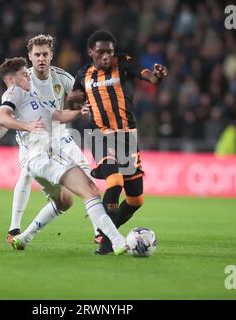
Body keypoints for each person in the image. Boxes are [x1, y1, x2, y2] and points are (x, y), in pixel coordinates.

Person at [0, 56, 127, 254]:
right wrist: (26, 126)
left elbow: (58, 115)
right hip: (44, 154)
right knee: (90, 189)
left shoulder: (32, 95)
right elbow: (2, 117)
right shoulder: (13, 92)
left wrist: (80, 112)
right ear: (12, 80)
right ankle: (117, 241)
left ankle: (23, 237)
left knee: (65, 202)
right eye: (23, 74)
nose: (28, 77)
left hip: (41, 158)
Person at [66, 30, 168, 254]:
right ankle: (106, 242)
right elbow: (72, 100)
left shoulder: (123, 63)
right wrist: (74, 104)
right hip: (99, 135)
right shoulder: (83, 74)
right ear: (90, 51)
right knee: (114, 182)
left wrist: (157, 76)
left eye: (109, 52)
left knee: (136, 200)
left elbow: (148, 76)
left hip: (126, 138)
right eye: (100, 52)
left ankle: (108, 234)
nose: (105, 56)